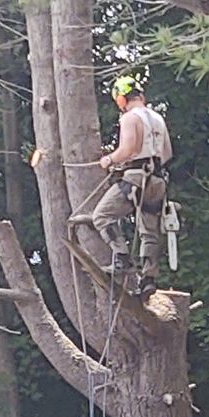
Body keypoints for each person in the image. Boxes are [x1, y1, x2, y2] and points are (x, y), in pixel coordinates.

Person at [81, 70, 172, 271]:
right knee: (149, 232)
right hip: (157, 181)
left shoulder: (130, 118)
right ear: (141, 96)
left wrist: (110, 160)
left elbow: (128, 148)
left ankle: (122, 258)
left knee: (102, 216)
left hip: (137, 179)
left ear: (121, 99)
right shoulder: (158, 118)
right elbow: (166, 153)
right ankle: (148, 277)